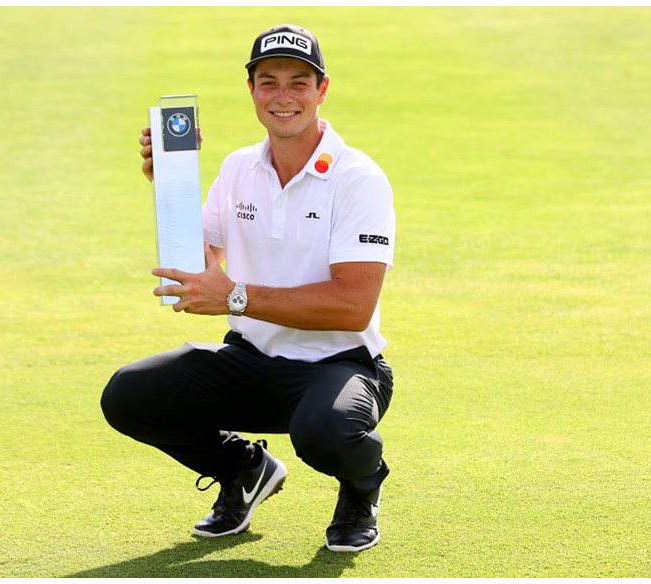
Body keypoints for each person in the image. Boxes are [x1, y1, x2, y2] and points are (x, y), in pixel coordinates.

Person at [101, 24, 396, 553]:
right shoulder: (239, 168)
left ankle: (360, 487)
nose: (283, 96)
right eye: (269, 82)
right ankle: (244, 470)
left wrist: (237, 297)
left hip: (339, 364)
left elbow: (353, 306)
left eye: (298, 82)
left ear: (322, 89)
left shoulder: (358, 178)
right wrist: (170, 181)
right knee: (129, 396)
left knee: (328, 433)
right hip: (251, 360)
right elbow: (203, 260)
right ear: (252, 91)